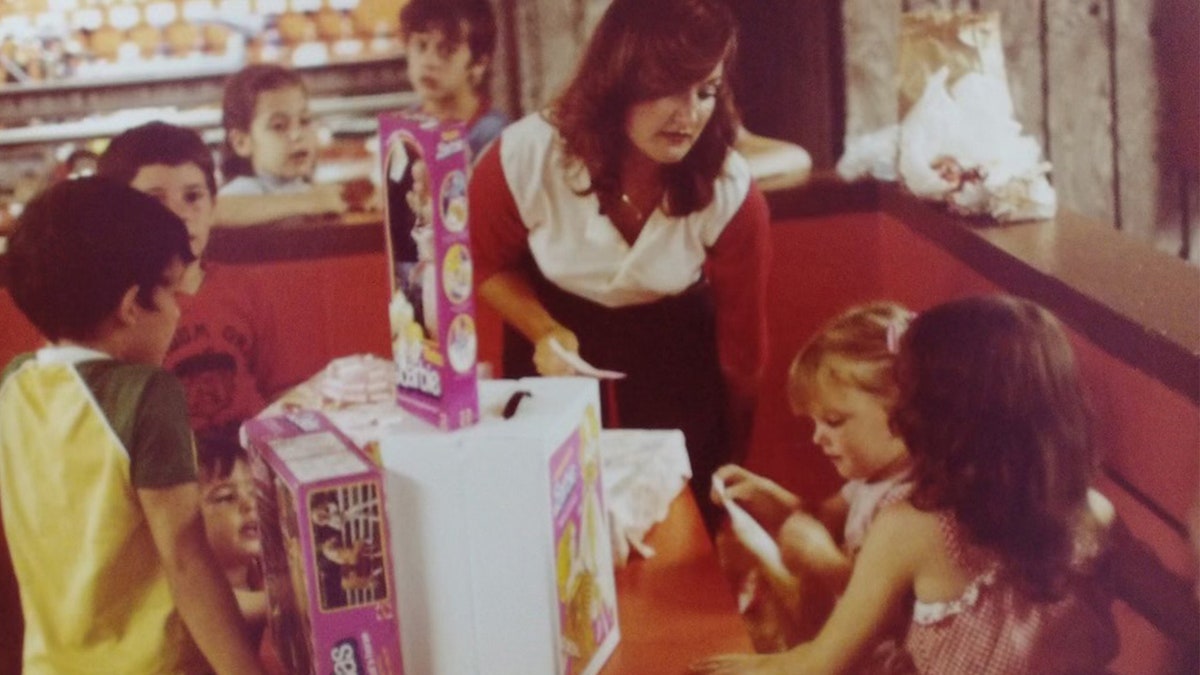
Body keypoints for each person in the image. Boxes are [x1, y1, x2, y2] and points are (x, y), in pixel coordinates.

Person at [692, 294, 1200, 674]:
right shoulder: (1092, 512)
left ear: (937, 415)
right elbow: (1184, 616)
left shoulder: (910, 528)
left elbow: (820, 665)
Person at [468, 0, 771, 532]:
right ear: (617, 79)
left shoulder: (732, 190)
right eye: (667, 87)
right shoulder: (523, 156)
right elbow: (485, 263)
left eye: (705, 91)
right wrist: (543, 330)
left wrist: (727, 462)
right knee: (546, 521)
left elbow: (743, 355)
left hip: (676, 349)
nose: (690, 113)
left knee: (679, 538)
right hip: (552, 334)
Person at [0, 177, 264, 673]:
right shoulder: (146, 395)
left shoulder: (14, 384)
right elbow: (186, 560)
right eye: (167, 292)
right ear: (129, 306)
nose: (176, 310)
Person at [711, 302, 914, 653]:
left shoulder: (915, 505)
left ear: (903, 415)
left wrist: (827, 563)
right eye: (815, 422)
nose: (818, 437)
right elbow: (823, 517)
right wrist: (770, 498)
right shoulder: (871, 479)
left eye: (834, 421)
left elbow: (901, 616)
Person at [97, 121, 269, 442]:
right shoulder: (109, 313)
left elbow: (277, 391)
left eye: (193, 197)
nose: (178, 216)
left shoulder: (246, 290)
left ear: (213, 205)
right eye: (153, 201)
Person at [216, 63, 356, 225]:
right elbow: (216, 211)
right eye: (279, 126)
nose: (297, 135)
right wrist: (311, 202)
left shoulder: (308, 190)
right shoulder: (246, 189)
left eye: (304, 121)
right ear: (241, 142)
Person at [399, 0, 509, 159]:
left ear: (479, 63)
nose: (429, 62)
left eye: (447, 51)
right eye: (421, 46)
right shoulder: (406, 125)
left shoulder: (496, 135)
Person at [196, 434, 267, 639]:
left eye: (255, 492)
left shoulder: (258, 572)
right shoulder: (194, 592)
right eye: (226, 497)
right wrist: (291, 601)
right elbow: (222, 608)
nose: (250, 504)